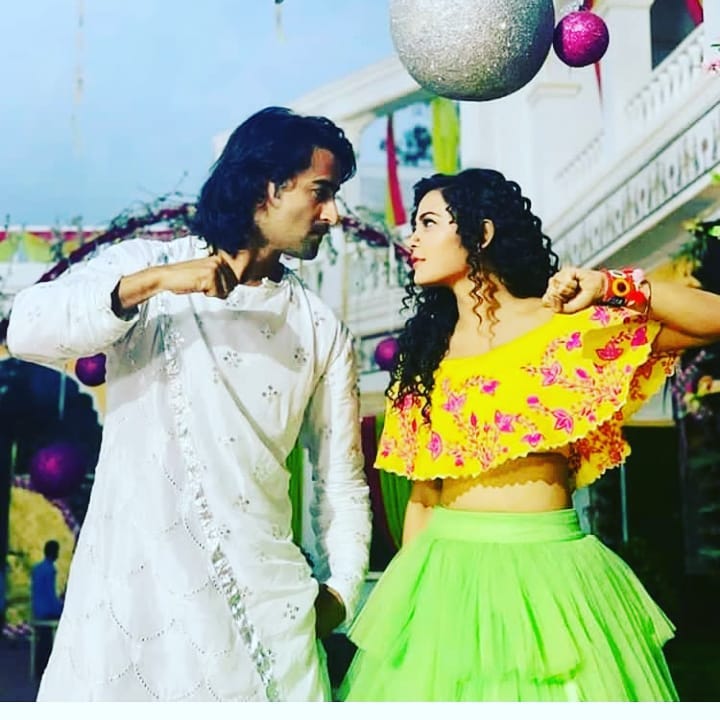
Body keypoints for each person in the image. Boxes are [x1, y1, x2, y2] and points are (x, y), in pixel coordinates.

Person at [7, 106, 372, 701]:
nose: (333, 214)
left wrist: (341, 593)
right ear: (266, 186)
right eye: (321, 192)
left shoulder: (318, 325)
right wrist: (152, 285)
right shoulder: (148, 268)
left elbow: (341, 483)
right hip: (134, 607)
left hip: (264, 619)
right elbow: (27, 327)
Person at [338, 168, 720, 702]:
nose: (412, 239)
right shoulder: (422, 362)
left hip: (555, 576)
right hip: (446, 576)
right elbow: (423, 497)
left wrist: (612, 286)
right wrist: (411, 607)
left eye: (428, 223)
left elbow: (712, 320)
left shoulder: (567, 330)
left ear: (481, 233)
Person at [31, 540, 64, 621]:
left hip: (37, 610)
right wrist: (59, 608)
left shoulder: (36, 568)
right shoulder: (50, 569)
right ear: (53, 552)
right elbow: (50, 593)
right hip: (47, 612)